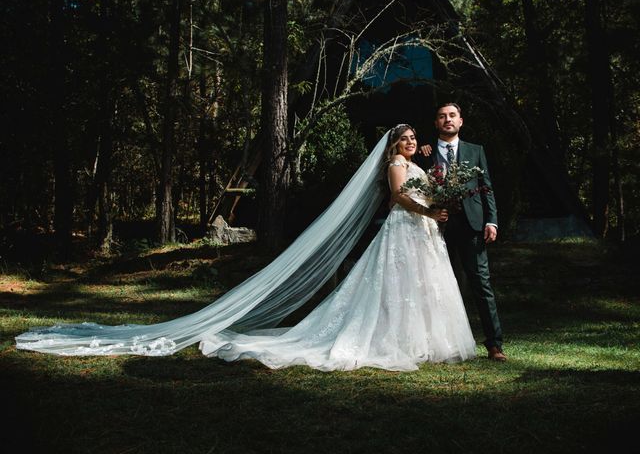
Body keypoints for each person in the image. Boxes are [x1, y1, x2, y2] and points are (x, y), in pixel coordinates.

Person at [16, 125, 477, 371]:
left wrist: (438, 206)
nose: (412, 143)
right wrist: (427, 211)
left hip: (423, 234)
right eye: (406, 138)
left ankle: (423, 342)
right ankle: (394, 340)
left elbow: (424, 196)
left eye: (415, 138)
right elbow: (399, 198)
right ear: (394, 144)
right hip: (404, 230)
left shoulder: (423, 166)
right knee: (395, 289)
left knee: (421, 289)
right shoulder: (397, 164)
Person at [418, 103, 506, 362]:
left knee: (482, 282)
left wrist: (492, 221)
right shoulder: (425, 152)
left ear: (460, 121)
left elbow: (486, 187)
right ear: (436, 123)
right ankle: (443, 345)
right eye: (442, 116)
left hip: (472, 225)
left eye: (452, 116)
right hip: (436, 226)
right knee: (438, 284)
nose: (447, 120)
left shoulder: (475, 151)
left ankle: (495, 344)